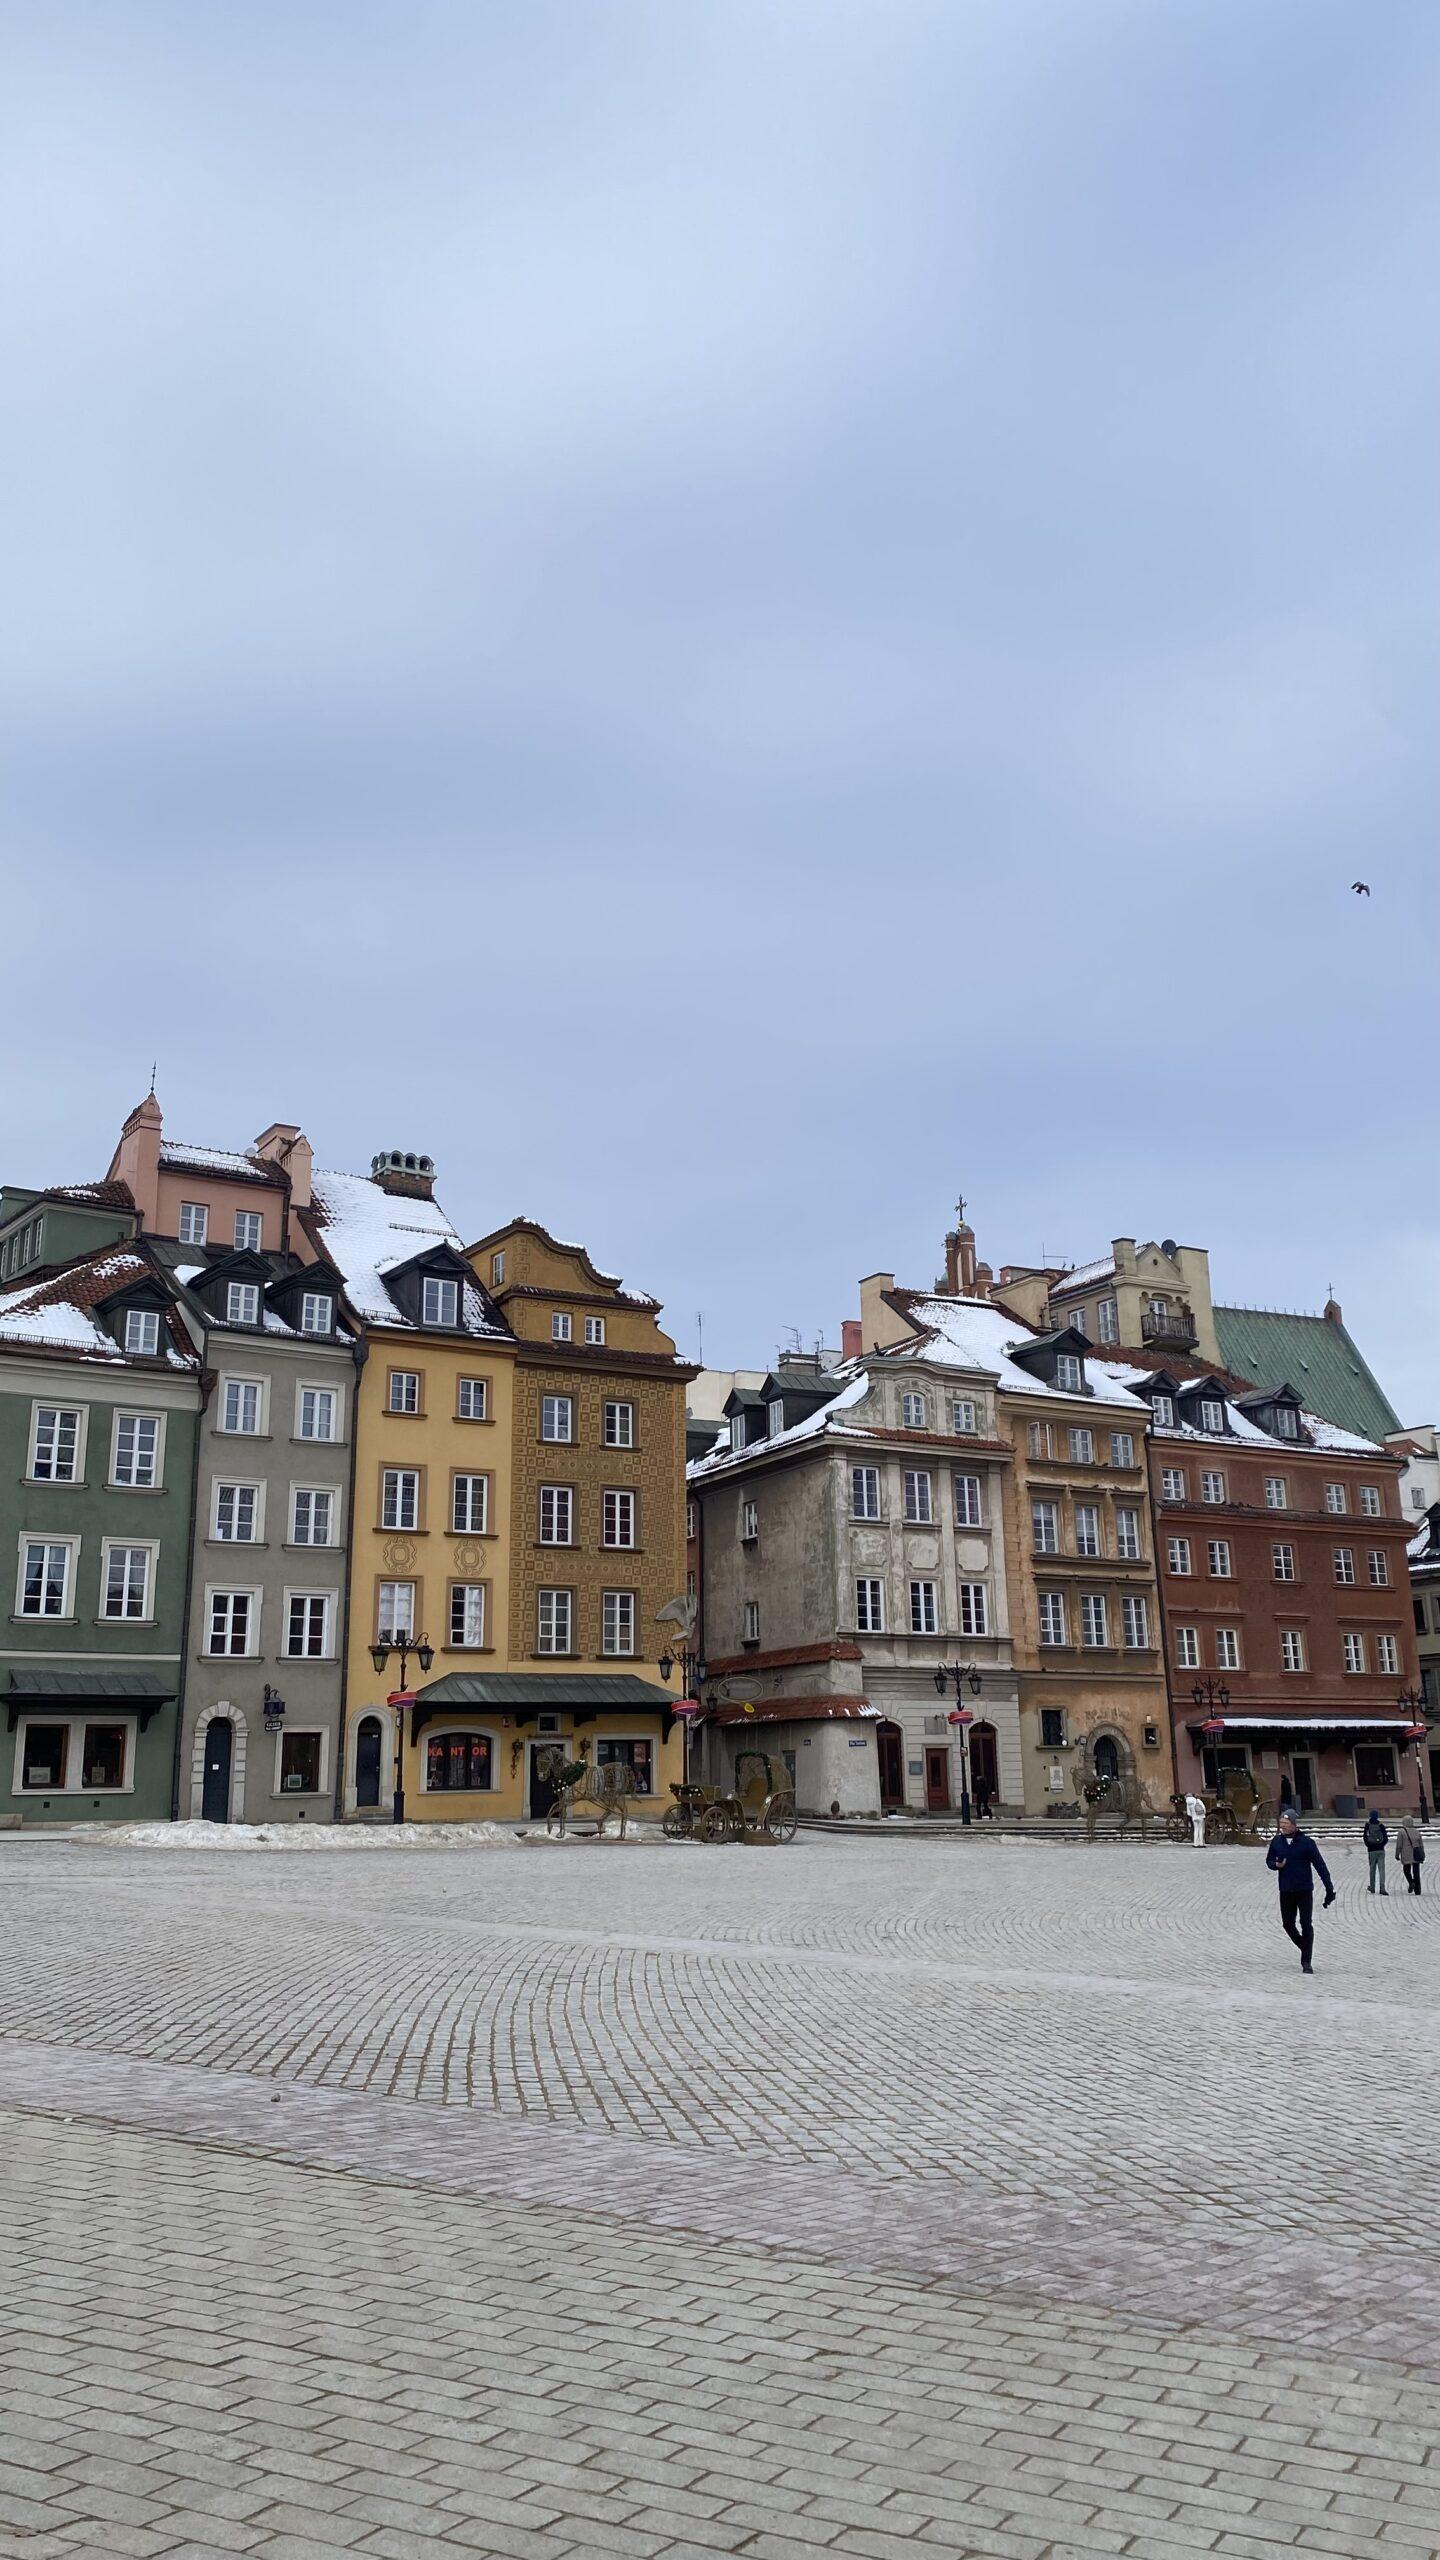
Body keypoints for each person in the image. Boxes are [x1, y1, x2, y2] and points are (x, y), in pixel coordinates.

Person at [1265, 1810, 1335, 1973]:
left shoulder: (1307, 1843)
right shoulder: (1277, 1842)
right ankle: (1305, 1947)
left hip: (1304, 1889)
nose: (1282, 1827)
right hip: (1286, 1889)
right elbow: (1269, 1860)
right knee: (1288, 1924)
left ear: (1294, 1825)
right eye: (1281, 1823)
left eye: (1286, 1824)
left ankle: (1306, 1961)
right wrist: (1276, 1865)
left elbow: (1320, 1866)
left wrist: (1329, 1887)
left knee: (1306, 1923)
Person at [1395, 1815, 1426, 1895]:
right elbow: (1421, 1844)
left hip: (1406, 1853)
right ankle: (1418, 1890)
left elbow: (1399, 1845)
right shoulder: (1417, 1831)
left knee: (1406, 1870)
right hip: (1416, 1853)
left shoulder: (1401, 1832)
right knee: (1416, 1872)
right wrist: (1422, 1853)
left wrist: (1397, 1854)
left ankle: (1411, 1882)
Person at [1362, 1809, 1389, 1895]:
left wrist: (1368, 1845)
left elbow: (1365, 1836)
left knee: (1372, 1869)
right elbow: (1386, 1838)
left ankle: (1372, 1887)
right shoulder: (1381, 1825)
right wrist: (1382, 1845)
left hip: (1371, 1850)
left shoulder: (1367, 1825)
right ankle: (1382, 1887)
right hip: (1380, 1850)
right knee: (1382, 1870)